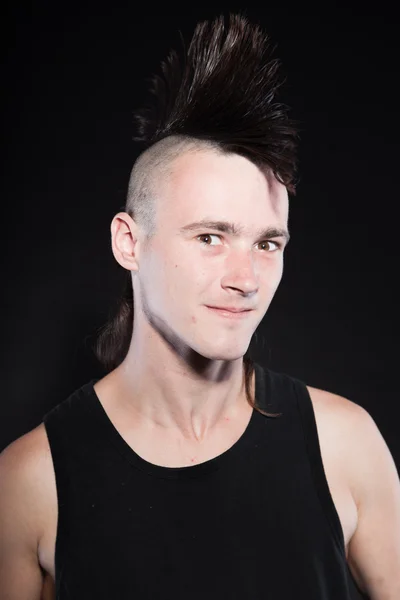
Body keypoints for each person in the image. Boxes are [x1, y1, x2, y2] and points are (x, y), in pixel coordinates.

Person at [1, 13, 399, 600]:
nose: (246, 279)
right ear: (128, 243)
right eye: (210, 237)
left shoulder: (345, 442)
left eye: (268, 243)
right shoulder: (29, 483)